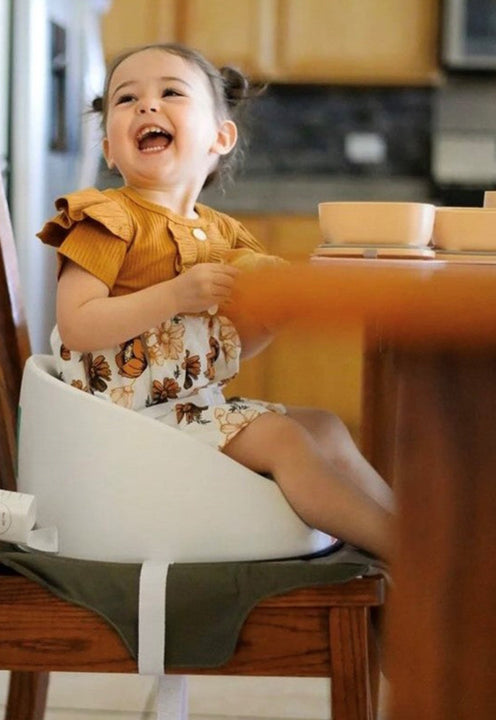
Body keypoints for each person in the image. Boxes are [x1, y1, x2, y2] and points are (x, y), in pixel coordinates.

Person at [37, 43, 395, 562]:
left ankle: (415, 534)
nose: (147, 104)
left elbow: (217, 352)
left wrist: (271, 317)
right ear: (110, 150)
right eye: (126, 98)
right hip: (124, 429)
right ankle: (406, 553)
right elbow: (77, 325)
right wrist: (175, 294)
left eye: (171, 92)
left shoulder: (223, 235)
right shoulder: (105, 220)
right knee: (285, 440)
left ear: (220, 138)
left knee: (324, 425)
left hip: (185, 410)